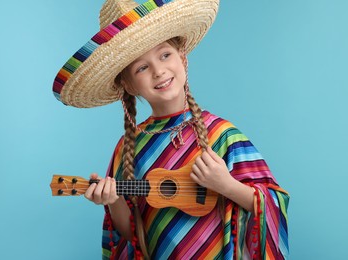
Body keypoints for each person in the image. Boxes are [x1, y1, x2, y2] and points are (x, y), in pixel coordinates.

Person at [52, 0, 289, 259]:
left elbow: (273, 204)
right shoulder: (130, 147)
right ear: (129, 85)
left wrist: (226, 185)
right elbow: (130, 235)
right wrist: (113, 200)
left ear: (182, 57)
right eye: (141, 67)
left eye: (165, 55)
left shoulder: (222, 135)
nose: (159, 71)